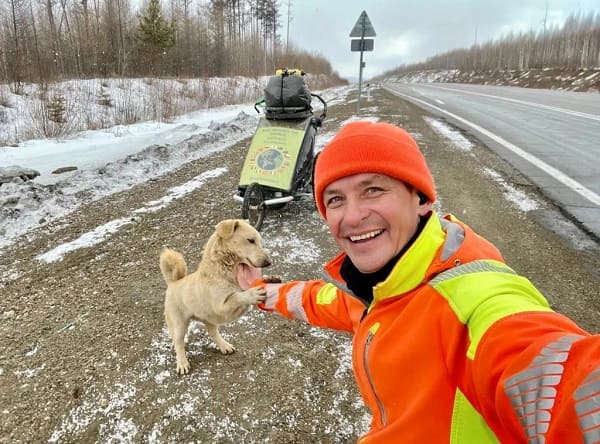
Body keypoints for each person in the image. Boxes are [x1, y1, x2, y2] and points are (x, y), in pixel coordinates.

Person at [238, 120, 600, 443]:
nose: (352, 216)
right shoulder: (380, 287)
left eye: (373, 190)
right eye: (335, 199)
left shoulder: (475, 300)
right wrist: (260, 292)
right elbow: (319, 300)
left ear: (421, 198)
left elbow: (556, 375)